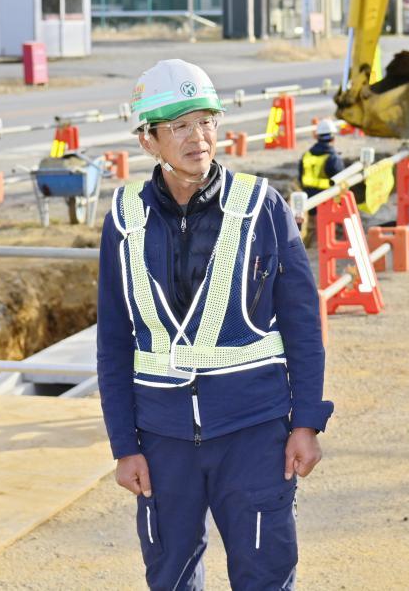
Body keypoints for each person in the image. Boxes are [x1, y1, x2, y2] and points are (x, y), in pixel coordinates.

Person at [97, 59, 334, 590]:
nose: (198, 137)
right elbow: (113, 340)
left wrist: (307, 422)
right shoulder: (124, 217)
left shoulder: (261, 207)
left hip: (254, 431)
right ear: (148, 140)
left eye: (205, 120)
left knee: (264, 575)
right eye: (179, 126)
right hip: (161, 439)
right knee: (171, 577)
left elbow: (302, 323)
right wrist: (124, 444)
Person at [299, 118, 345, 197]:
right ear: (333, 138)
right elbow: (341, 182)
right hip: (327, 201)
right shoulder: (334, 159)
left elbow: (300, 178)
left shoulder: (306, 156)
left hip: (308, 201)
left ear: (317, 136)